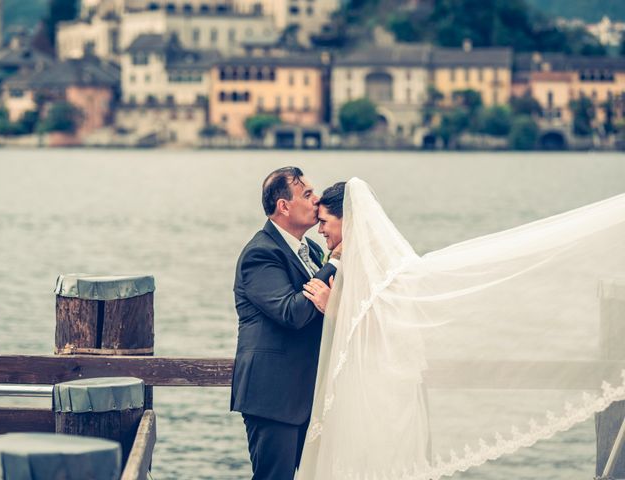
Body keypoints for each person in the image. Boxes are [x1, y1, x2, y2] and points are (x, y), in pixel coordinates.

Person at [297, 177, 625, 479]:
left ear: (349, 221)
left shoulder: (385, 270)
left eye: (324, 222)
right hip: (363, 387)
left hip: (382, 392)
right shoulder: (355, 263)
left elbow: (389, 330)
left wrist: (334, 309)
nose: (320, 231)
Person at [231, 166, 340, 480]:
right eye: (307, 194)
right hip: (273, 397)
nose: (316, 199)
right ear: (284, 206)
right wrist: (334, 262)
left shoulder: (313, 250)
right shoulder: (260, 254)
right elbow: (292, 313)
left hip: (309, 395)